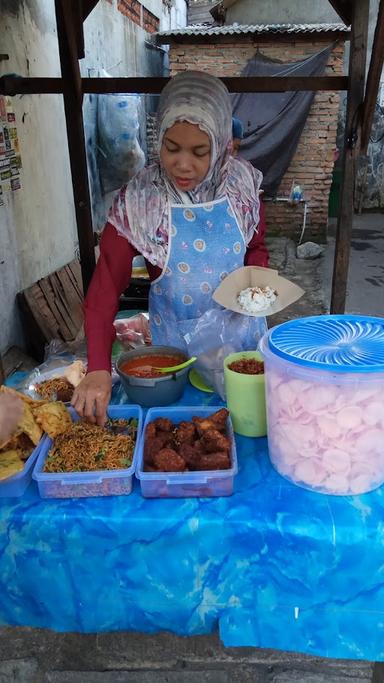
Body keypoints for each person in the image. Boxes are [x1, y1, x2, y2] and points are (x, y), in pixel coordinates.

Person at [72, 70, 269, 425]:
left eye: (199, 151)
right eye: (171, 147)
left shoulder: (241, 184)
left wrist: (257, 281)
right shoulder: (140, 200)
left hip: (242, 349)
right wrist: (98, 368)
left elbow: (255, 246)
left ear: (222, 143)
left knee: (246, 430)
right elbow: (104, 289)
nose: (182, 164)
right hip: (175, 359)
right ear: (158, 137)